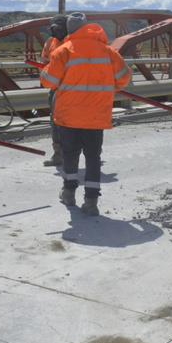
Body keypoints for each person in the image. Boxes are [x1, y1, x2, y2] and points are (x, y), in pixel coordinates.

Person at [40, 12, 132, 216]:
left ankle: (69, 193)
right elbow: (124, 78)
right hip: (97, 115)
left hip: (68, 115)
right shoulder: (108, 52)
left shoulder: (63, 51)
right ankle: (91, 202)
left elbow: (49, 82)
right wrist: (106, 88)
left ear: (70, 30)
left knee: (71, 154)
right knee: (93, 157)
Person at [40, 14, 69, 166]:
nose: (57, 30)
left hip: (72, 89)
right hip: (55, 89)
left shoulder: (73, 41)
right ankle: (58, 154)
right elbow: (44, 61)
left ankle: (75, 152)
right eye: (54, 28)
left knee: (73, 122)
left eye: (59, 27)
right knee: (55, 121)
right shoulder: (50, 42)